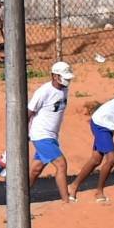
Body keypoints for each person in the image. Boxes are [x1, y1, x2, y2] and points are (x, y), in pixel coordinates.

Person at [28, 61, 75, 204]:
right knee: (61, 164)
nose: (67, 81)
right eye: (64, 78)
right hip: (41, 135)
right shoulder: (44, 91)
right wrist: (24, 133)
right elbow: (29, 112)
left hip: (52, 136)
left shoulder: (64, 89)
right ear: (54, 76)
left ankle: (20, 196)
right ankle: (66, 201)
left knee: (36, 169)